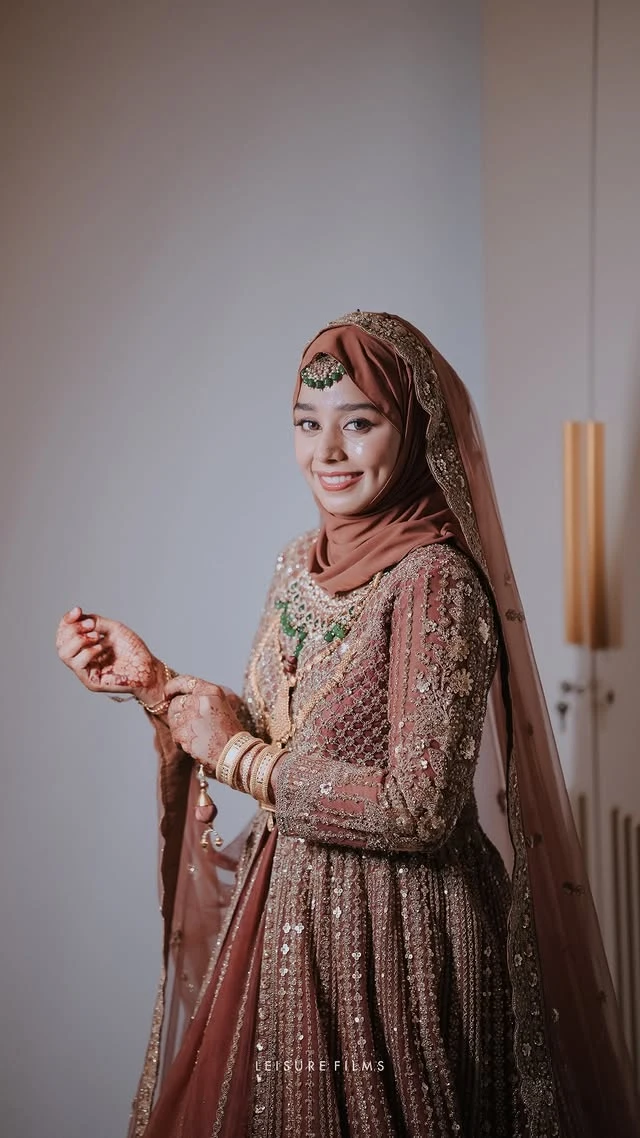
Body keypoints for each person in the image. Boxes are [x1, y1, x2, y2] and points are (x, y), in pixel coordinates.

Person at [56, 311, 639, 1138]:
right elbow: (287, 739)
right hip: (292, 927)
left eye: (358, 424)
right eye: (307, 424)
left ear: (413, 431)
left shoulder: (434, 582)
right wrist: (153, 681)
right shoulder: (299, 563)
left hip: (401, 938)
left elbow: (417, 804)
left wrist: (240, 755)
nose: (326, 453)